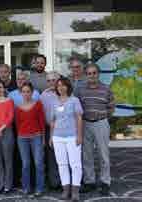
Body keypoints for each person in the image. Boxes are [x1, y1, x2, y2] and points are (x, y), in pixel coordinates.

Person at [76, 63, 114, 196]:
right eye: (89, 73)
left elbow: (111, 107)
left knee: (103, 154)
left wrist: (102, 118)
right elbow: (78, 107)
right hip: (85, 124)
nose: (92, 75)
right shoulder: (81, 90)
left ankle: (105, 182)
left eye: (94, 73)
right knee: (87, 155)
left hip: (101, 123)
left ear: (98, 74)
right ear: (86, 75)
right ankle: (89, 181)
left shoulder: (106, 89)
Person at [49, 77, 83, 201]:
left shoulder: (74, 100)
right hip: (58, 137)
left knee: (75, 165)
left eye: (63, 85)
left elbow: (79, 118)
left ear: (68, 87)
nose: (61, 87)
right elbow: (52, 121)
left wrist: (79, 135)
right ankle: (66, 189)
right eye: (58, 85)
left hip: (72, 137)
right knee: (62, 164)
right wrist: (51, 137)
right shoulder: (54, 102)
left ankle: (75, 191)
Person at [15, 82, 45, 196]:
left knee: (38, 163)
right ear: (21, 93)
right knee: (26, 164)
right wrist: (20, 135)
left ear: (32, 93)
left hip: (36, 136)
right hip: (22, 138)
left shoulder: (38, 104)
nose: (26, 94)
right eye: (24, 92)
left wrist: (42, 138)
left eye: (28, 91)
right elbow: (17, 125)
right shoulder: (18, 108)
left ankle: (39, 188)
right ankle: (26, 187)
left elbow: (42, 123)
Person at [40, 71, 61, 190]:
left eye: (53, 80)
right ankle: (54, 182)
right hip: (49, 129)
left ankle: (66, 182)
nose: (51, 82)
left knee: (64, 156)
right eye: (48, 80)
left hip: (64, 129)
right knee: (51, 157)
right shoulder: (43, 95)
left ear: (58, 80)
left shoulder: (65, 92)